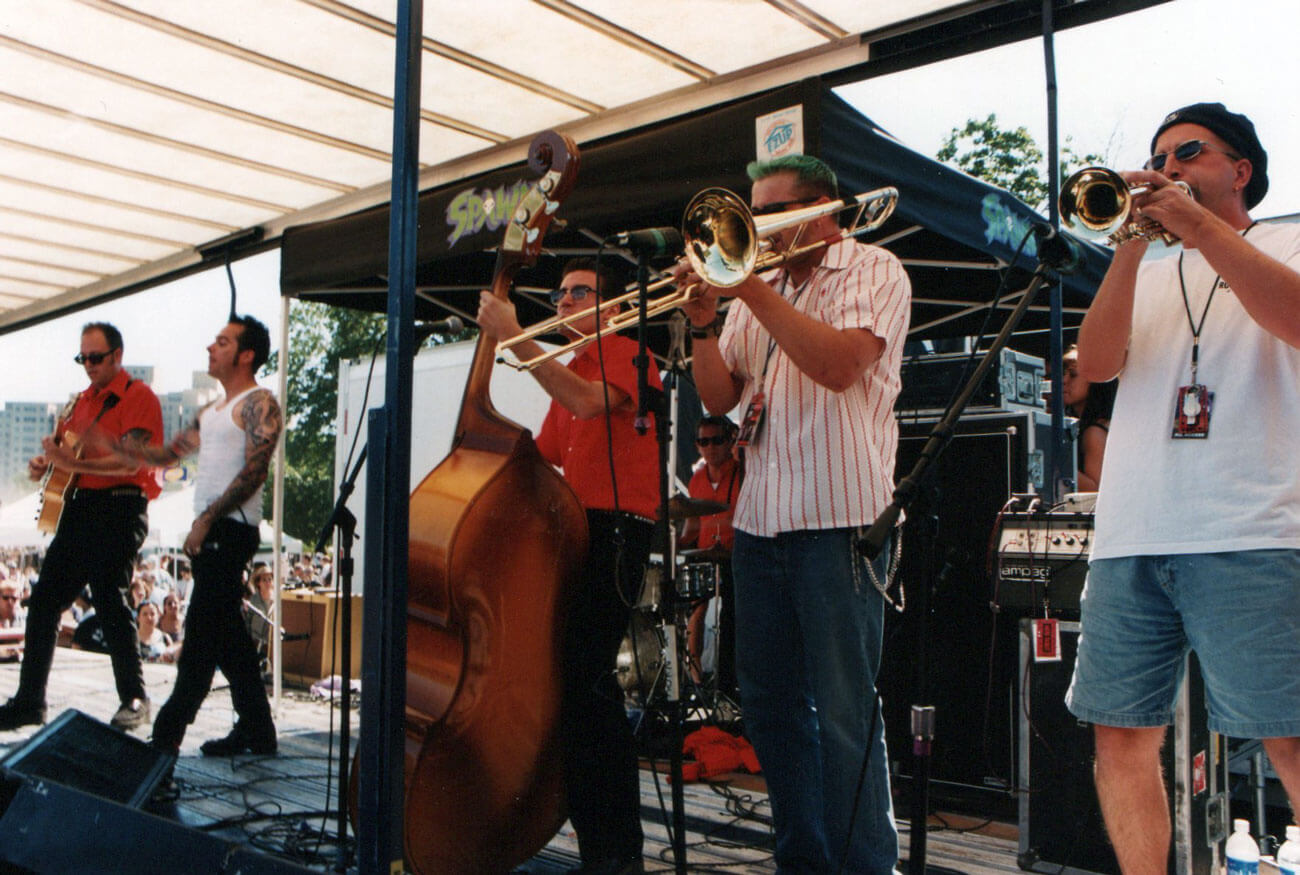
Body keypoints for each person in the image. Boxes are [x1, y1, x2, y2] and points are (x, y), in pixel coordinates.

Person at [1064, 103, 1300, 875]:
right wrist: (1129, 246)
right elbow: (1095, 364)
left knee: (1288, 734)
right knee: (1119, 734)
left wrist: (1199, 228)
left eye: (1186, 152)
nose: (1165, 167)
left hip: (1253, 529)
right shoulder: (1151, 267)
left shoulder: (1287, 240)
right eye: (1156, 156)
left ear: (1240, 170)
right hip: (1134, 534)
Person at [679, 153, 910, 873]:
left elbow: (839, 364)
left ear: (823, 209)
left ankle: (868, 865)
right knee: (773, 709)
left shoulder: (872, 270)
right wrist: (703, 325)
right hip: (761, 523)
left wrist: (749, 288)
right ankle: (803, 861)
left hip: (839, 521)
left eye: (771, 216)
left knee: (845, 714)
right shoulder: (763, 288)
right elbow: (719, 398)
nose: (759, 232)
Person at [478, 256, 661, 875]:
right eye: (558, 294)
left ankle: (615, 851)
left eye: (577, 292)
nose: (561, 302)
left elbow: (586, 404)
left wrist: (512, 336)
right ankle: (603, 847)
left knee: (587, 684)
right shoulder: (574, 365)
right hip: (581, 530)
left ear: (610, 307)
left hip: (617, 531)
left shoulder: (628, 350)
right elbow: (546, 452)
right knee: (579, 687)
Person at [106, 315, 283, 757]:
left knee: (201, 636)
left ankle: (164, 738)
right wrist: (122, 448)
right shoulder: (213, 410)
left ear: (246, 354)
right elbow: (169, 453)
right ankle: (258, 730)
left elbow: (255, 470)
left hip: (229, 527)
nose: (211, 348)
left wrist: (207, 519)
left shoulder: (259, 402)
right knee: (228, 638)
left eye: (222, 342)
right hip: (213, 530)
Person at [0, 321, 163, 732]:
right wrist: (46, 464)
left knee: (109, 593)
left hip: (122, 505)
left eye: (95, 357)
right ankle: (29, 702)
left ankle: (135, 696)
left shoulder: (138, 396)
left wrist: (72, 464)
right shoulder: (80, 403)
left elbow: (131, 461)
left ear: (117, 356)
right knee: (43, 601)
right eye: (82, 358)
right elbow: (63, 454)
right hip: (82, 506)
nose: (88, 365)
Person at [680, 415, 741, 696]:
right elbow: (692, 524)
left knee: (733, 614)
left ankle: (728, 683)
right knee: (695, 608)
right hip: (705, 555)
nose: (710, 447)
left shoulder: (743, 472)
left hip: (734, 556)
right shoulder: (695, 480)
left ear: (729, 441)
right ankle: (696, 678)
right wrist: (676, 548)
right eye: (703, 441)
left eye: (717, 440)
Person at [1061, 344, 1117, 492]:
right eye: (1063, 373)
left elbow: (1095, 490)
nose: (1064, 380)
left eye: (1073, 375)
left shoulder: (1094, 432)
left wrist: (1054, 460)